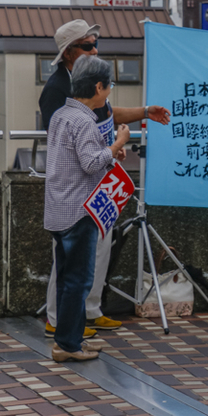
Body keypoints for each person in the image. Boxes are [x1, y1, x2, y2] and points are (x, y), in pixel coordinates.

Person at [40, 20, 171, 337]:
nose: (94, 49)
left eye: (95, 42)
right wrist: (112, 147)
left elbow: (109, 114)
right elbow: (68, 141)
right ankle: (59, 320)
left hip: (100, 178)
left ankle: (90, 309)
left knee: (99, 246)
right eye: (87, 45)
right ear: (69, 52)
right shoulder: (57, 90)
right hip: (76, 185)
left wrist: (143, 112)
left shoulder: (86, 82)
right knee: (72, 255)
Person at [45, 56, 131, 362]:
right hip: (79, 212)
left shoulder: (62, 115)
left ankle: (69, 338)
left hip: (58, 208)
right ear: (97, 86)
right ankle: (67, 346)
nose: (109, 92)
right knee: (79, 280)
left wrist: (108, 152)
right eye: (108, 86)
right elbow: (92, 162)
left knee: (67, 278)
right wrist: (118, 142)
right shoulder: (84, 121)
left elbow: (79, 159)